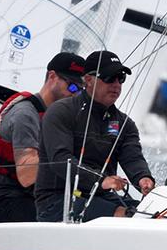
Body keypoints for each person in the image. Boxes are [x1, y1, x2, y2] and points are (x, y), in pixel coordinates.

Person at [35, 50, 155, 222]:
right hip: (58, 199)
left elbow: (132, 158)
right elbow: (61, 160)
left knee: (150, 213)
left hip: (101, 197)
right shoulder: (61, 111)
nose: (116, 84)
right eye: (109, 78)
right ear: (89, 80)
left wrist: (143, 178)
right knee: (126, 216)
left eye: (120, 78)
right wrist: (102, 180)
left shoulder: (125, 124)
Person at [0, 52, 86, 223]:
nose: (76, 94)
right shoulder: (25, 114)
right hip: (2, 200)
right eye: (73, 87)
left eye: (81, 90)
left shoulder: (61, 119)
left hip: (36, 198)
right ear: (52, 77)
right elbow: (27, 175)